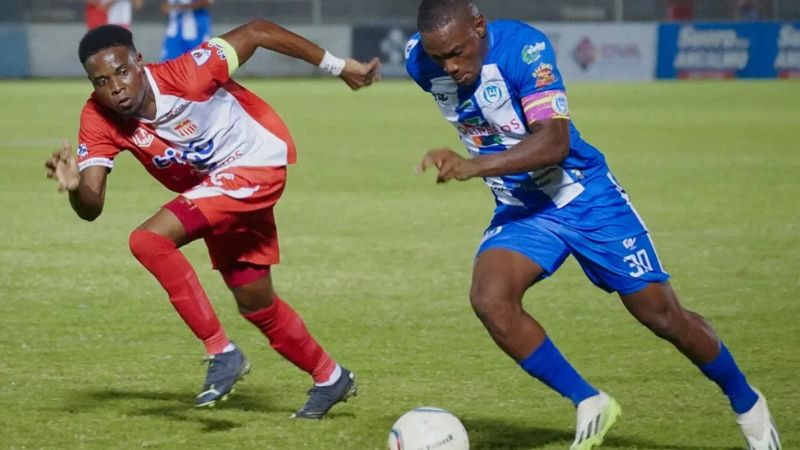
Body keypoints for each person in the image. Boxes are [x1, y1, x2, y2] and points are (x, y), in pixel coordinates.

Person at [406, 1, 781, 449]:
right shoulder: (418, 61)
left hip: (584, 198)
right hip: (523, 207)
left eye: (458, 52)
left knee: (661, 315)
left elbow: (554, 142)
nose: (451, 66)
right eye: (440, 57)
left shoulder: (524, 50)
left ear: (480, 26)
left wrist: (473, 166)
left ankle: (746, 402)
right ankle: (589, 401)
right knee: (490, 298)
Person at [45, 21, 380, 418]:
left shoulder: (187, 73)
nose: (115, 87)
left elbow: (257, 32)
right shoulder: (98, 116)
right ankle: (331, 377)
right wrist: (74, 188)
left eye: (122, 72)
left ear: (138, 61)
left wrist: (339, 67)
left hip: (255, 162)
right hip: (217, 190)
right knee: (256, 303)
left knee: (148, 240)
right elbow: (92, 205)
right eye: (101, 81)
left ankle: (221, 352)